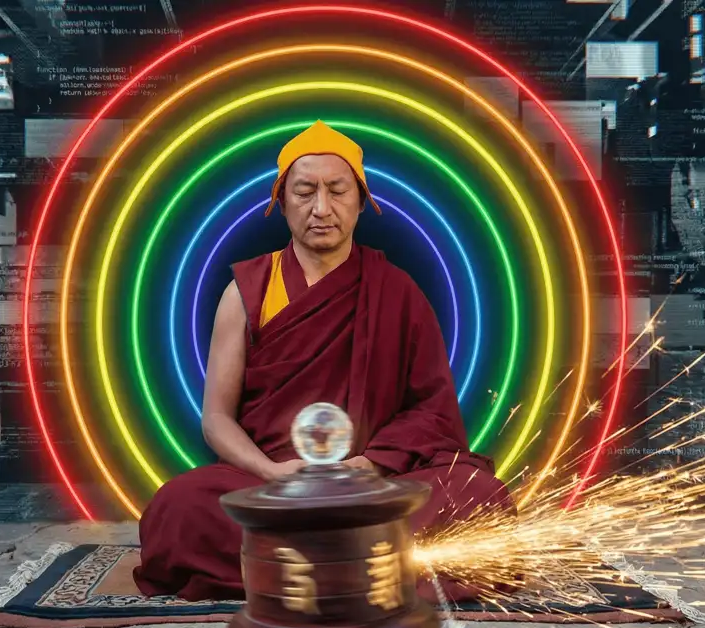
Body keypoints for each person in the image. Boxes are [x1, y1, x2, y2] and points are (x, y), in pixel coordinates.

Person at [134, 121, 514, 601]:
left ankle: (296, 569)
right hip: (273, 484)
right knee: (179, 508)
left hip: (372, 486)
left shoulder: (397, 292)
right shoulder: (247, 292)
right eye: (304, 191)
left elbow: (432, 412)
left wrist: (370, 464)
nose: (321, 208)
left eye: (337, 191)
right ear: (281, 201)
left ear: (361, 200)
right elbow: (216, 419)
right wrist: (272, 473)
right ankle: (368, 569)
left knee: (478, 496)